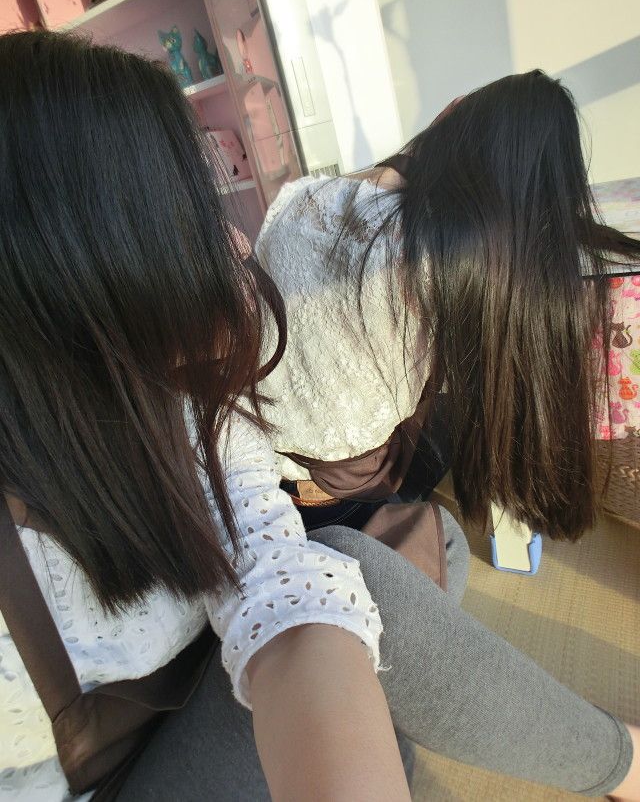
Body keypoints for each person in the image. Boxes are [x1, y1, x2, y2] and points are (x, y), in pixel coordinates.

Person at [0, 31, 409, 802]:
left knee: (379, 578)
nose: (235, 240)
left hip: (193, 703)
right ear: (81, 262)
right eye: (187, 216)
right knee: (388, 581)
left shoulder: (187, 409)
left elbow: (284, 586)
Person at [251, 69, 640, 798]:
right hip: (328, 497)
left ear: (452, 114)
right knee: (444, 510)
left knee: (433, 510)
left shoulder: (307, 195)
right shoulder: (446, 265)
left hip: (276, 458)